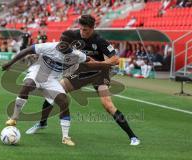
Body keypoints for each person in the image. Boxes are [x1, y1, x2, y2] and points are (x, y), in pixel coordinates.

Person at [25, 14, 140, 146]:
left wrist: (99, 64)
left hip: (99, 73)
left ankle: (133, 137)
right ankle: (42, 123)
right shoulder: (73, 35)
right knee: (54, 92)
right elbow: (62, 45)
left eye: (85, 30)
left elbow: (115, 59)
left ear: (92, 28)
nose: (82, 32)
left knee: (107, 105)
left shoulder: (100, 40)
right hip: (80, 72)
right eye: (81, 29)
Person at [2, 30, 111, 146]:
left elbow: (89, 61)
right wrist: (10, 63)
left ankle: (65, 137)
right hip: (38, 72)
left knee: (64, 102)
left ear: (72, 44)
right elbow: (27, 50)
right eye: (61, 41)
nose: (62, 44)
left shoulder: (77, 55)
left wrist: (105, 65)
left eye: (65, 42)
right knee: (28, 84)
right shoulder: (49, 47)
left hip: (52, 80)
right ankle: (14, 117)